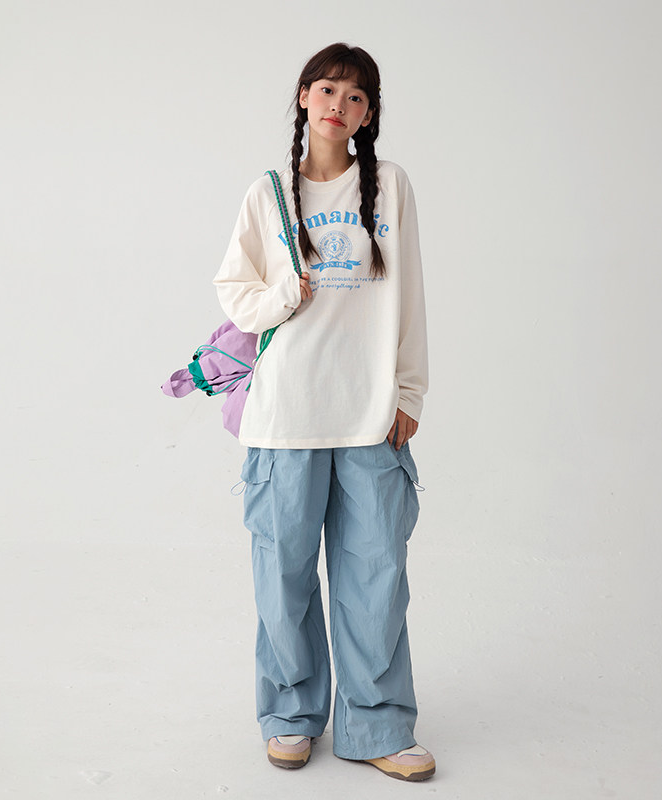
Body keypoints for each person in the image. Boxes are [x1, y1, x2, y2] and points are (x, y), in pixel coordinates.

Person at [212, 42, 434, 782]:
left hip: (370, 415)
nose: (340, 104)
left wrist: (409, 392)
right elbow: (234, 289)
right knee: (283, 578)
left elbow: (411, 294)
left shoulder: (390, 186)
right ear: (305, 96)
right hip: (285, 415)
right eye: (329, 89)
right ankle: (290, 714)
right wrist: (284, 295)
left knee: (377, 578)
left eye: (357, 96)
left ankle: (377, 725)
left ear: (369, 115)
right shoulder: (268, 193)